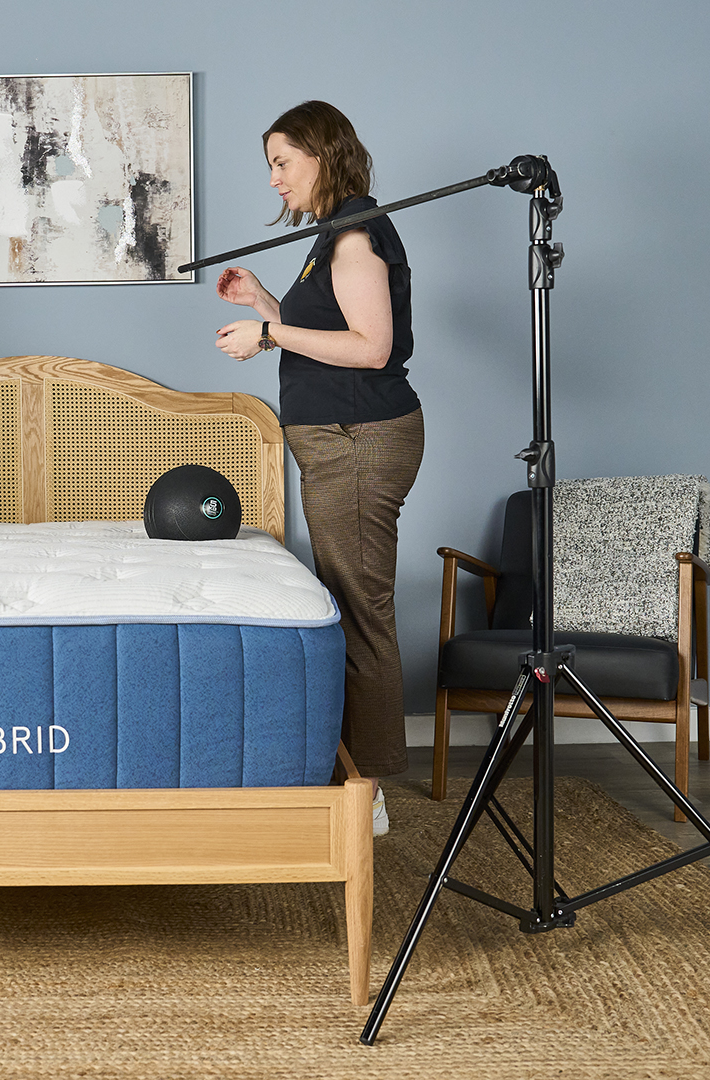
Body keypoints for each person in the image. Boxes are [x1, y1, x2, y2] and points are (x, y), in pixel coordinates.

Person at [213, 101, 423, 836]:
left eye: (282, 162)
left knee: (361, 608)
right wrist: (265, 304)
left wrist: (269, 329)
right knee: (347, 598)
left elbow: (371, 348)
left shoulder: (355, 237)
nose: (274, 180)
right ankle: (356, 775)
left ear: (323, 156)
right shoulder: (330, 236)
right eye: (269, 165)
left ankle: (367, 791)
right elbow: (328, 335)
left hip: (359, 439)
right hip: (338, 440)